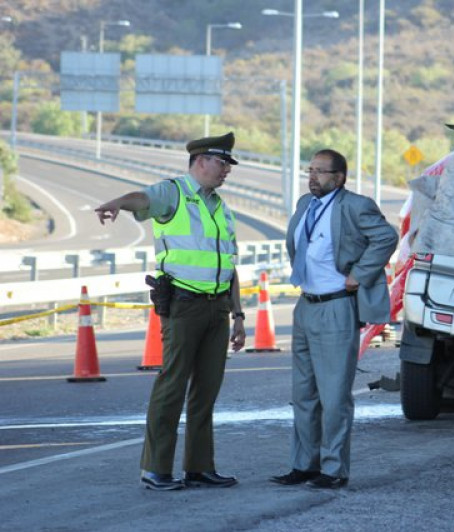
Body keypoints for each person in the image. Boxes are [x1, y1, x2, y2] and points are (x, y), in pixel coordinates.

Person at [95, 132, 247, 491]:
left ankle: (199, 467)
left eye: (228, 164)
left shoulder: (221, 208)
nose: (226, 170)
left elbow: (229, 265)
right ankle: (155, 468)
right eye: (221, 163)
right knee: (172, 386)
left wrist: (238, 315)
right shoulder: (174, 193)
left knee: (207, 390)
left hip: (217, 309)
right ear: (199, 161)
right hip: (183, 305)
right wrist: (117, 202)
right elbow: (141, 197)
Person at [271, 148, 398, 489]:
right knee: (303, 394)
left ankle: (333, 469)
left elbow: (387, 237)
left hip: (337, 307)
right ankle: (304, 465)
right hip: (306, 306)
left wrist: (360, 273)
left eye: (320, 172)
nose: (312, 177)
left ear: (339, 178)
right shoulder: (304, 204)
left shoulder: (355, 206)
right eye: (310, 170)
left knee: (334, 395)